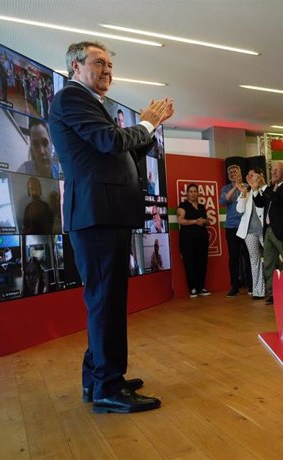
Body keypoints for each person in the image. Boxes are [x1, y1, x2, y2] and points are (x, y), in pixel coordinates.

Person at [49, 40, 174, 412]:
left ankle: (98, 377)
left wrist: (149, 130)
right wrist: (148, 122)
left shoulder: (91, 104)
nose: (108, 71)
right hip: (97, 215)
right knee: (105, 302)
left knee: (107, 301)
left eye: (110, 65)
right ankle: (108, 386)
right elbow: (110, 141)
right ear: (75, 66)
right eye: (99, 62)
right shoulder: (72, 97)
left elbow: (120, 151)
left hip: (106, 214)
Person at [253, 162, 283, 304]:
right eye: (273, 170)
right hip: (269, 230)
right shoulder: (270, 188)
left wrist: (264, 186)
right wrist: (255, 189)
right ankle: (273, 293)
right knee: (269, 263)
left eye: (277, 171)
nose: (273, 173)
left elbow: (277, 199)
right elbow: (260, 203)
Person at [220, 165, 253, 297]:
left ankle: (251, 285)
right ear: (228, 175)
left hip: (246, 226)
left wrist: (241, 186)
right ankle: (234, 286)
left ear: (240, 173)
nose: (233, 174)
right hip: (231, 226)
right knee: (233, 257)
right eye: (231, 172)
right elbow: (223, 201)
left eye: (236, 172)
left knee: (248, 255)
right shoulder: (226, 188)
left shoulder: (248, 186)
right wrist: (235, 186)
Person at [236, 168, 266, 300]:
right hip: (249, 232)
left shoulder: (265, 189)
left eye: (252, 175)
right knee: (254, 260)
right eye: (248, 175)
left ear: (260, 176)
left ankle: (277, 287)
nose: (250, 177)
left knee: (273, 258)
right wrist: (243, 194)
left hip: (265, 230)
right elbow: (239, 210)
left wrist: (256, 189)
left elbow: (262, 207)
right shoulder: (246, 191)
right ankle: (258, 291)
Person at [177, 183, 210, 297]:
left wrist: (204, 221)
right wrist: (195, 221)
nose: (193, 194)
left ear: (198, 193)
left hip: (202, 239)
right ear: (187, 194)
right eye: (190, 192)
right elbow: (181, 221)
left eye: (195, 191)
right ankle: (193, 289)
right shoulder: (183, 206)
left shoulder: (201, 206)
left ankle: (201, 287)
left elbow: (208, 222)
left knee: (202, 263)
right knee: (189, 263)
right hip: (187, 240)